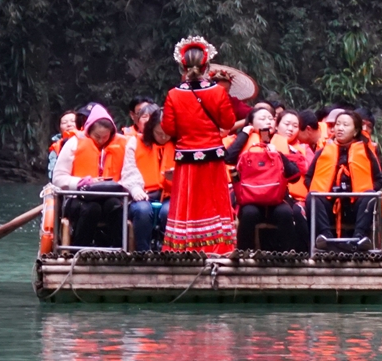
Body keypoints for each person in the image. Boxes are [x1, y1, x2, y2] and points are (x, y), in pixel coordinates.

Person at [158, 36, 238, 254]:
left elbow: (168, 129)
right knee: (213, 202)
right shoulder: (218, 92)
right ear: (207, 66)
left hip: (186, 158)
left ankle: (184, 248)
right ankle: (217, 247)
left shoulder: (174, 95)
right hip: (213, 157)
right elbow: (228, 123)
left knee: (188, 203)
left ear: (181, 66)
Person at [52, 104, 144, 247]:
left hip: (111, 198)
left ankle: (119, 251)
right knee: (92, 208)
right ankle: (79, 250)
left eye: (105, 137)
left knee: (115, 207)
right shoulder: (74, 143)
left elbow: (131, 173)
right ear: (89, 131)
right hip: (78, 198)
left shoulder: (124, 144)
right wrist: (83, 182)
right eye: (97, 136)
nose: (101, 140)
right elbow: (57, 178)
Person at [306, 109, 382, 247]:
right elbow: (308, 178)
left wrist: (362, 192)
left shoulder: (365, 151)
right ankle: (326, 238)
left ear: (355, 131)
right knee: (313, 196)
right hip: (329, 205)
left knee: (370, 196)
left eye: (345, 125)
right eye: (338, 124)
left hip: (354, 205)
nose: (340, 128)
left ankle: (359, 238)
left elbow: (379, 180)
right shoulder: (323, 150)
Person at [227, 106, 302, 252]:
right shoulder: (242, 141)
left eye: (270, 118)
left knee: (285, 213)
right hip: (250, 198)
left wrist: (278, 154)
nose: (267, 122)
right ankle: (243, 254)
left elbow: (295, 176)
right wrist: (244, 134)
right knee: (249, 213)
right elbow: (228, 158)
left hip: (276, 198)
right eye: (262, 119)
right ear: (251, 124)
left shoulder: (280, 142)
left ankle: (288, 255)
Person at [127, 100, 173, 251]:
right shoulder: (135, 142)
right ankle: (143, 254)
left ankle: (170, 253)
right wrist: (135, 189)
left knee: (169, 212)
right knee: (142, 211)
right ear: (151, 129)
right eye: (159, 133)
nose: (163, 137)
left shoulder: (179, 145)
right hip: (143, 194)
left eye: (167, 134)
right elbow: (129, 170)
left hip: (170, 195)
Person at [274, 109, 321, 207]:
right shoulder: (266, 145)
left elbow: (312, 171)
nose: (290, 129)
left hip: (300, 200)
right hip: (275, 197)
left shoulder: (304, 148)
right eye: (287, 124)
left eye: (295, 126)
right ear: (276, 125)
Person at [47, 110, 79, 180]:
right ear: (59, 128)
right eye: (64, 122)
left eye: (73, 121)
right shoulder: (56, 147)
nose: (69, 124)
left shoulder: (90, 140)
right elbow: (52, 171)